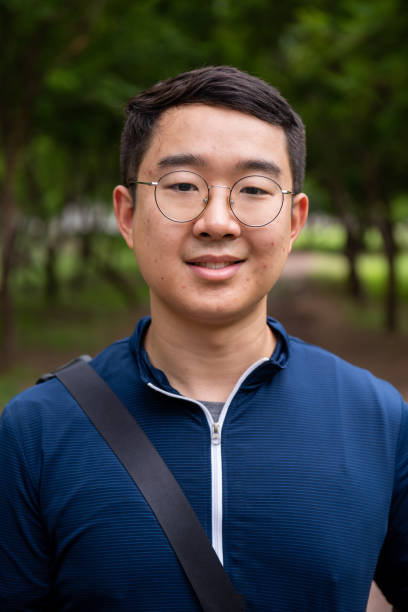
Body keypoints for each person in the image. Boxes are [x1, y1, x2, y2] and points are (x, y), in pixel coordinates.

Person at [0, 66, 406, 612]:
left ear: (294, 220)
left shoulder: (377, 417)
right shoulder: (36, 432)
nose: (217, 221)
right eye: (183, 186)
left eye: (256, 190)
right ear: (127, 213)